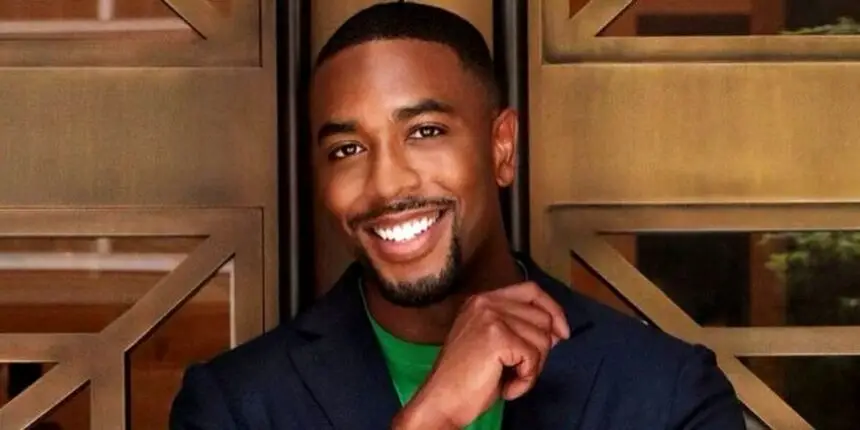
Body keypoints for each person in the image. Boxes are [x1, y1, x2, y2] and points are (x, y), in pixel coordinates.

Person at [169, 2, 745, 429]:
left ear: (501, 148)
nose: (387, 184)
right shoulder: (233, 407)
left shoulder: (669, 395)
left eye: (425, 132)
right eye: (347, 149)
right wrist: (432, 418)